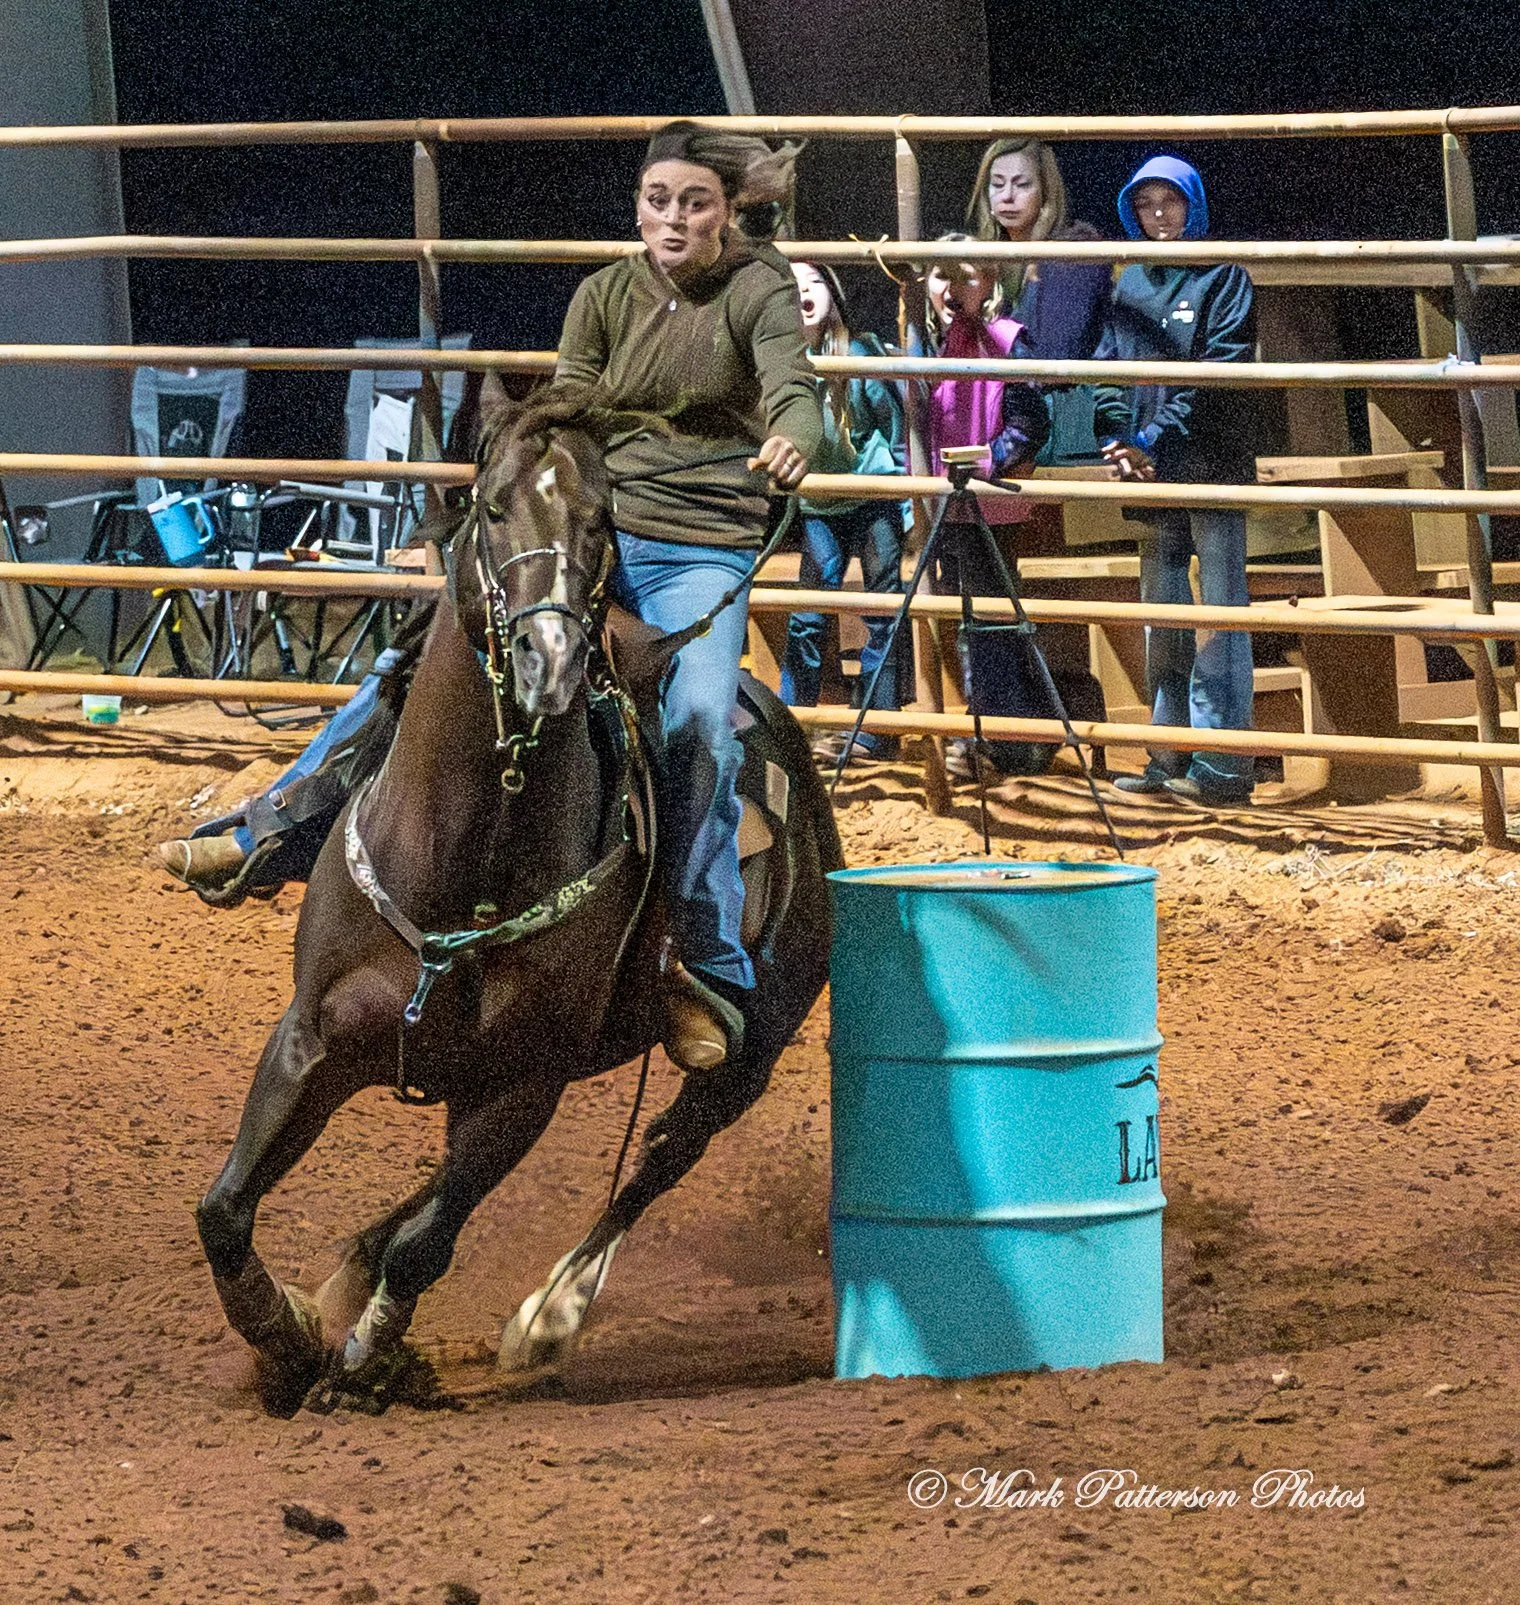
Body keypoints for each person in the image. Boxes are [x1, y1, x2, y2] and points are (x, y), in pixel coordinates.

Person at [160, 122, 823, 1077]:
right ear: (639, 206)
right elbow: (574, 407)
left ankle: (701, 957)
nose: (673, 218)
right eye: (658, 200)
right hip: (596, 532)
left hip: (699, 555)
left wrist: (794, 435)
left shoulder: (759, 292)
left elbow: (795, 388)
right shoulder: (603, 295)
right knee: (424, 658)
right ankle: (270, 828)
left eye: (695, 202)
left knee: (701, 729)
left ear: (728, 211)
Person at [1095, 155, 1259, 807]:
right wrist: (1115, 435)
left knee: (1219, 613)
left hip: (1210, 466)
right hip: (1151, 470)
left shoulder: (1226, 275)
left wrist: (1145, 440)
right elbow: (1107, 364)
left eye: (1169, 201)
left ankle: (1224, 766)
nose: (1158, 214)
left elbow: (1217, 376)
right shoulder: (1129, 279)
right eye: (1145, 203)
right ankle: (1168, 754)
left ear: (1194, 203)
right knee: (1162, 615)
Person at [923, 237, 1052, 776]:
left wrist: (989, 460)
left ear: (991, 281)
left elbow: (1032, 420)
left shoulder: (1007, 341)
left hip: (989, 502)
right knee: (968, 615)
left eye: (968, 275)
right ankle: (1007, 732)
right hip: (939, 502)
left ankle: (1004, 736)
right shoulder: (922, 345)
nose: (954, 287)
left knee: (988, 617)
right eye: (942, 275)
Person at [778, 261, 907, 767]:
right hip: (819, 503)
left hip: (872, 498)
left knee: (882, 615)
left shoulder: (858, 355)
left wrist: (904, 499)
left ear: (832, 293)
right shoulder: (780, 362)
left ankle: (878, 731)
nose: (804, 293)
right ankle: (792, 727)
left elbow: (893, 426)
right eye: (792, 287)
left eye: (814, 283)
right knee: (807, 618)